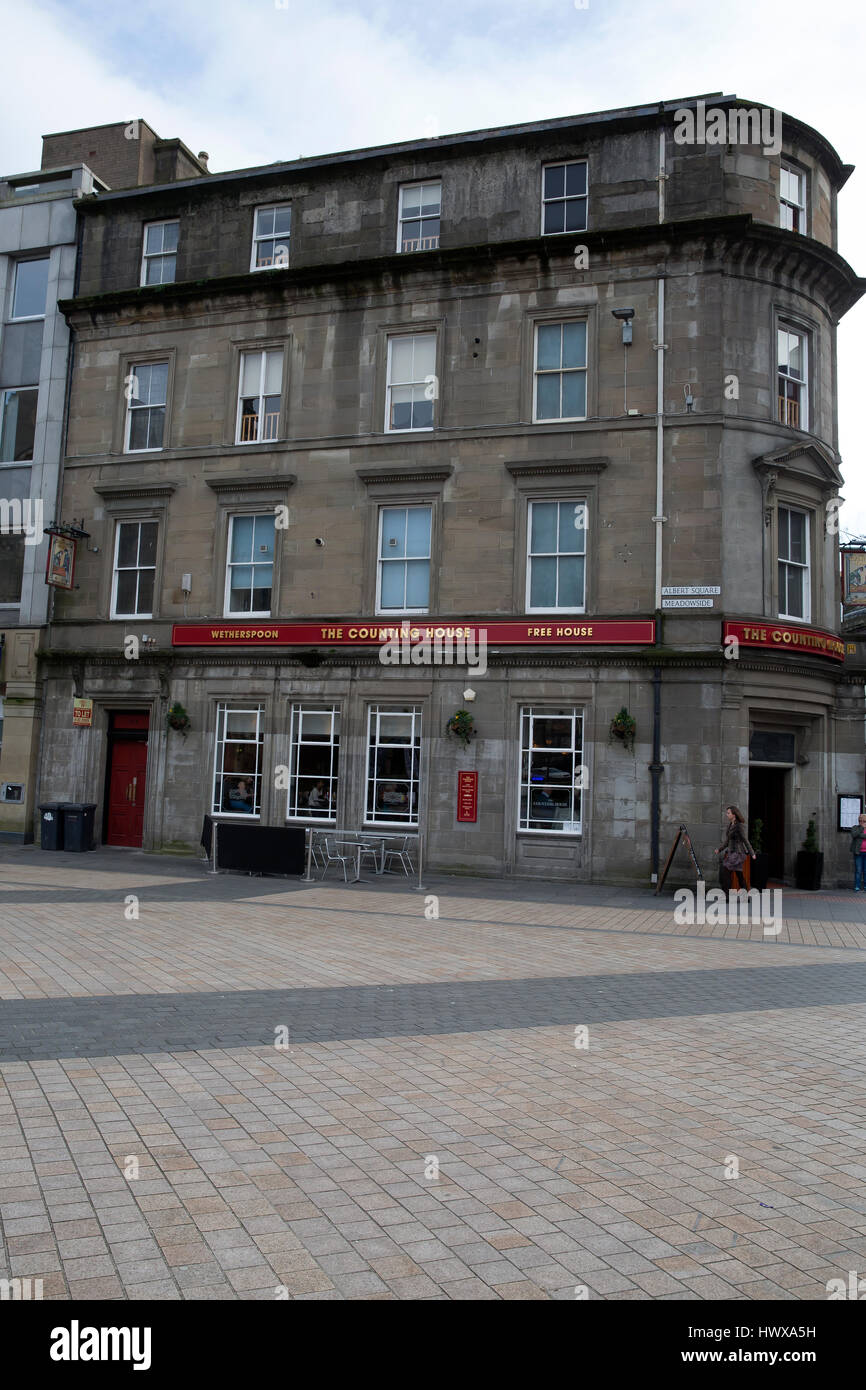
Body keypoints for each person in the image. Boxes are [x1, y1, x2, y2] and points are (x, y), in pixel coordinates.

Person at [713, 805, 756, 896]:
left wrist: (752, 853)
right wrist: (719, 849)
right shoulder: (730, 825)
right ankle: (745, 896)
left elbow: (745, 840)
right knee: (739, 874)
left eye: (728, 813)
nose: (727, 814)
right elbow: (727, 841)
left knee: (725, 870)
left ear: (734, 814)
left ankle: (727, 895)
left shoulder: (739, 826)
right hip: (732, 853)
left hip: (738, 853)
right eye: (727, 813)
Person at [849, 812, 866, 891]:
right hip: (858, 852)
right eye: (860, 821)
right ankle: (857, 886)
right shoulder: (855, 827)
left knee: (865, 870)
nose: (861, 822)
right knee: (858, 870)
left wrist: (860, 835)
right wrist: (862, 828)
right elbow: (854, 835)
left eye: (863, 821)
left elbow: (859, 836)